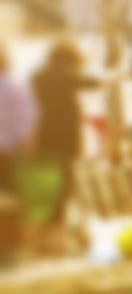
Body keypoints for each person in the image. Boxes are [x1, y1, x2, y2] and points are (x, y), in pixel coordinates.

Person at [30, 41, 93, 237]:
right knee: (64, 188)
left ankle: (44, 235)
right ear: (67, 62)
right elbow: (89, 82)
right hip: (65, 142)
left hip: (43, 140)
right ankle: (55, 235)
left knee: (46, 189)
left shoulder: (38, 78)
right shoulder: (63, 78)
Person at [0, 47, 38, 200]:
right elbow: (26, 118)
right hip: (10, 148)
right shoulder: (16, 86)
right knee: (10, 193)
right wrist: (28, 145)